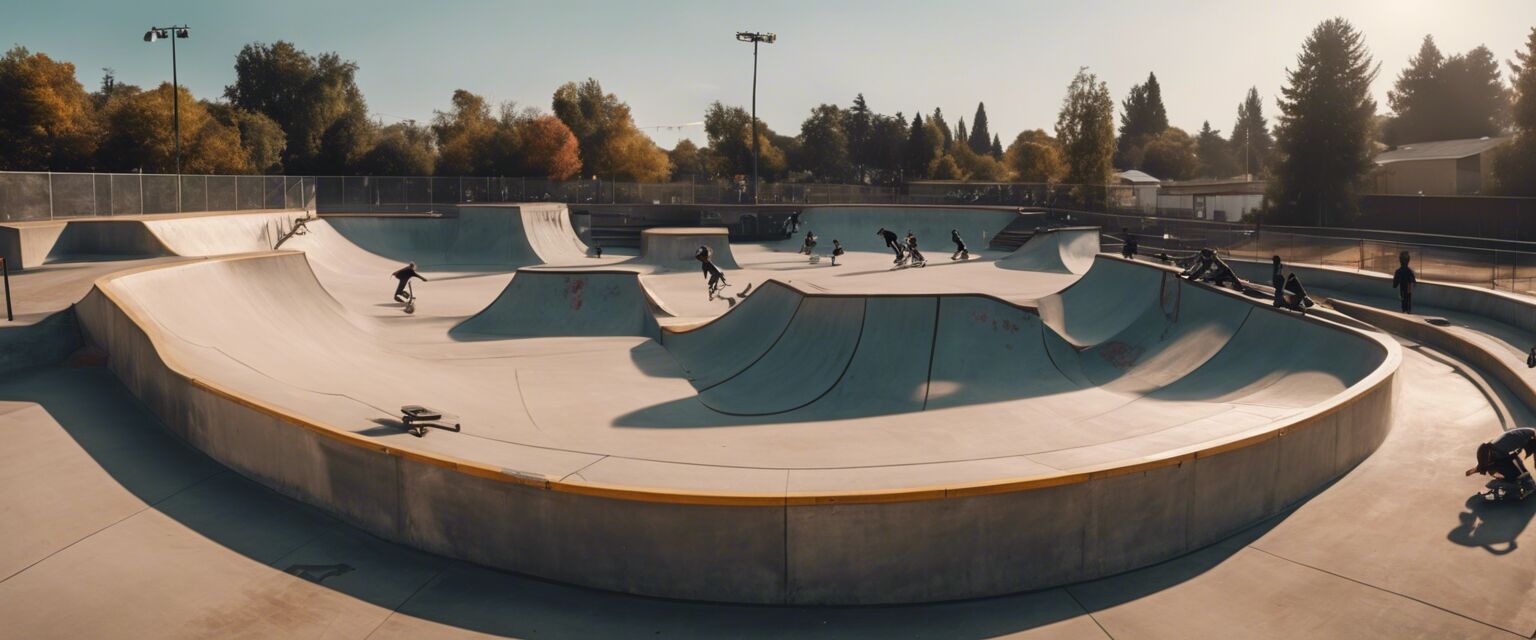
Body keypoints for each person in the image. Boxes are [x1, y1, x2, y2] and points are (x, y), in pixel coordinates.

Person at [1474, 427, 1536, 499]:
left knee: (1515, 465)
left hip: (1497, 451)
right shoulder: (1524, 436)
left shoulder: (1525, 434)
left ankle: (1525, 484)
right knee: (1512, 469)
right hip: (1497, 452)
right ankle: (1520, 485)